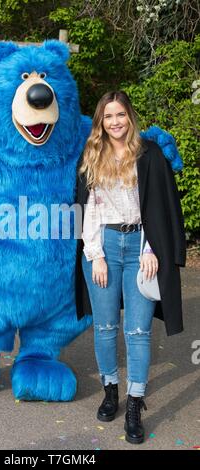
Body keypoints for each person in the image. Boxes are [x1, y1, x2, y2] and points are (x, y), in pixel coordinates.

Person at [75, 91, 186, 444]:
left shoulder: (149, 154)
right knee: (106, 326)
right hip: (104, 244)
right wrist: (96, 255)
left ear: (130, 116)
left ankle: (135, 402)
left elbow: (160, 208)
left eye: (120, 114)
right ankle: (111, 389)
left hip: (141, 247)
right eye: (109, 116)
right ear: (101, 121)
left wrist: (152, 248)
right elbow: (87, 209)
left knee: (137, 332)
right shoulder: (93, 154)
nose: (115, 122)